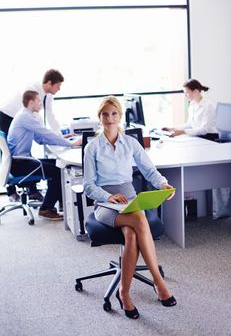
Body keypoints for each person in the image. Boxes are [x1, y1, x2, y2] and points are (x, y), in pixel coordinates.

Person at [83, 96, 177, 320]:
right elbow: (88, 185)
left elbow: (149, 170)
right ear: (100, 117)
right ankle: (158, 281)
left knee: (132, 236)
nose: (109, 118)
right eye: (105, 114)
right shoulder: (92, 147)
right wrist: (108, 196)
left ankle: (124, 293)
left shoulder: (130, 143)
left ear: (120, 116)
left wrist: (163, 183)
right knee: (139, 220)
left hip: (129, 199)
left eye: (114, 114)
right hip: (105, 203)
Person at [7, 90, 81, 221]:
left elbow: (40, 138)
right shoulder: (26, 117)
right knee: (58, 172)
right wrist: (71, 144)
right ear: (31, 102)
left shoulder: (24, 115)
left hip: (19, 162)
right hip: (20, 164)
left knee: (56, 164)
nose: (41, 104)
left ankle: (63, 204)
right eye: (39, 101)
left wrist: (62, 138)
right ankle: (46, 208)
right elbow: (45, 133)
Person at [0, 69, 66, 201]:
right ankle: (11, 190)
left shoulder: (48, 96)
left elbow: (50, 115)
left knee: (25, 153)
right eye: (58, 86)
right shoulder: (31, 89)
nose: (59, 89)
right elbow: (33, 115)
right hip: (6, 117)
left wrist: (60, 135)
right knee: (10, 154)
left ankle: (32, 191)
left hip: (20, 121)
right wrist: (46, 133)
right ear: (49, 83)